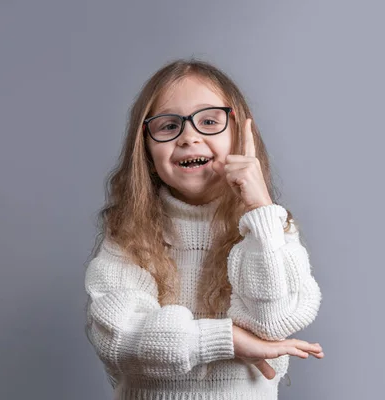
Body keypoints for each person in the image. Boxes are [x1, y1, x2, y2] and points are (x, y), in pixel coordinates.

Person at [84, 58, 324, 400]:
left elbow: (274, 322)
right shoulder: (128, 234)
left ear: (240, 135)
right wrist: (226, 339)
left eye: (209, 121)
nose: (189, 137)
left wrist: (260, 209)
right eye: (168, 126)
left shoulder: (272, 229)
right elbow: (119, 336)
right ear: (147, 149)